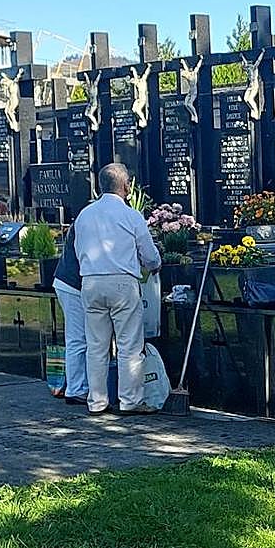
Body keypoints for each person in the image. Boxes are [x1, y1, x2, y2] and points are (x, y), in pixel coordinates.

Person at [74, 163, 162, 415]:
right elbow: (149, 255)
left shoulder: (85, 214)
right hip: (122, 282)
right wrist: (155, 264)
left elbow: (78, 250)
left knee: (96, 345)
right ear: (125, 187)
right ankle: (129, 401)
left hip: (90, 281)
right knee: (129, 345)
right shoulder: (130, 216)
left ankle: (97, 401)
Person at [52, 223, 88, 406]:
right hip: (73, 285)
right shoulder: (90, 221)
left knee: (80, 338)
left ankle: (79, 386)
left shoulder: (86, 218)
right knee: (78, 338)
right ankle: (76, 388)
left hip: (69, 282)